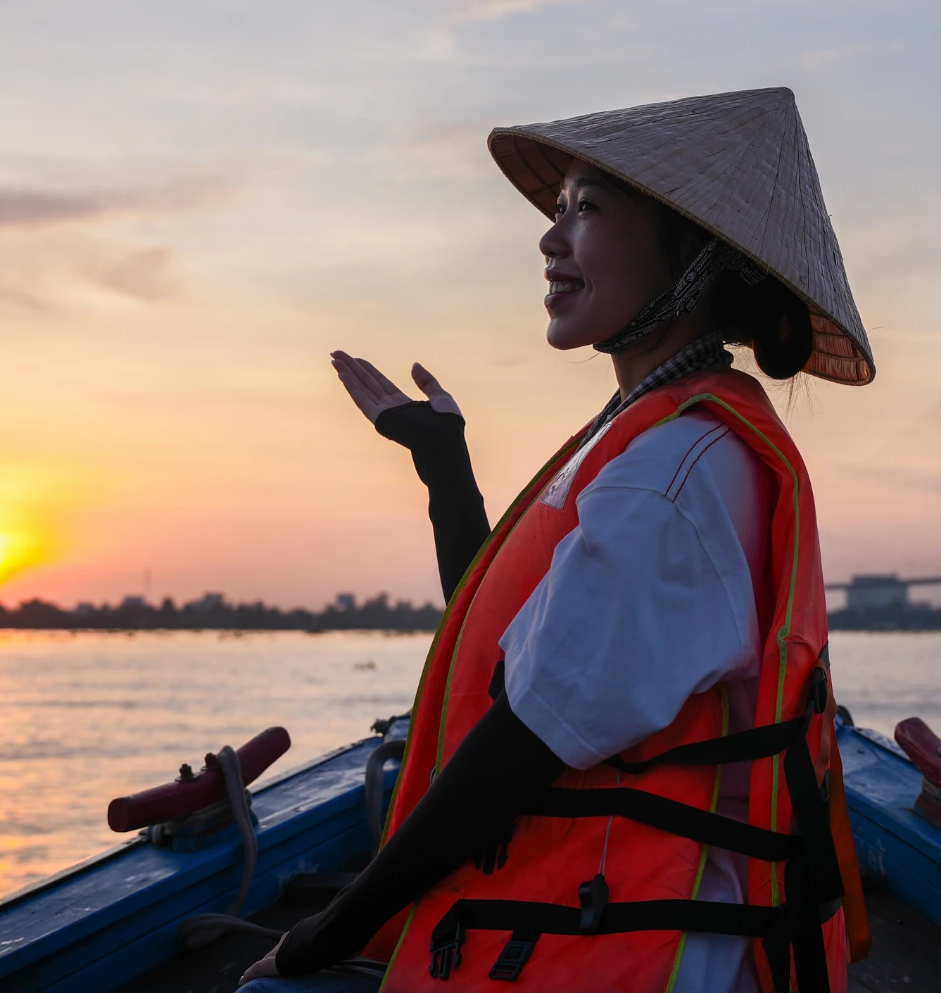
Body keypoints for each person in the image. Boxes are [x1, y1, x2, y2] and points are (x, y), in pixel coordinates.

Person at [239, 87, 874, 992]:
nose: (550, 238)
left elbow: (524, 740)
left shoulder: (673, 470)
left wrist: (321, 936)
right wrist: (444, 468)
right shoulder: (651, 435)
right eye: (560, 206)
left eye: (589, 209)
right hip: (570, 930)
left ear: (694, 257)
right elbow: (522, 661)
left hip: (633, 958)